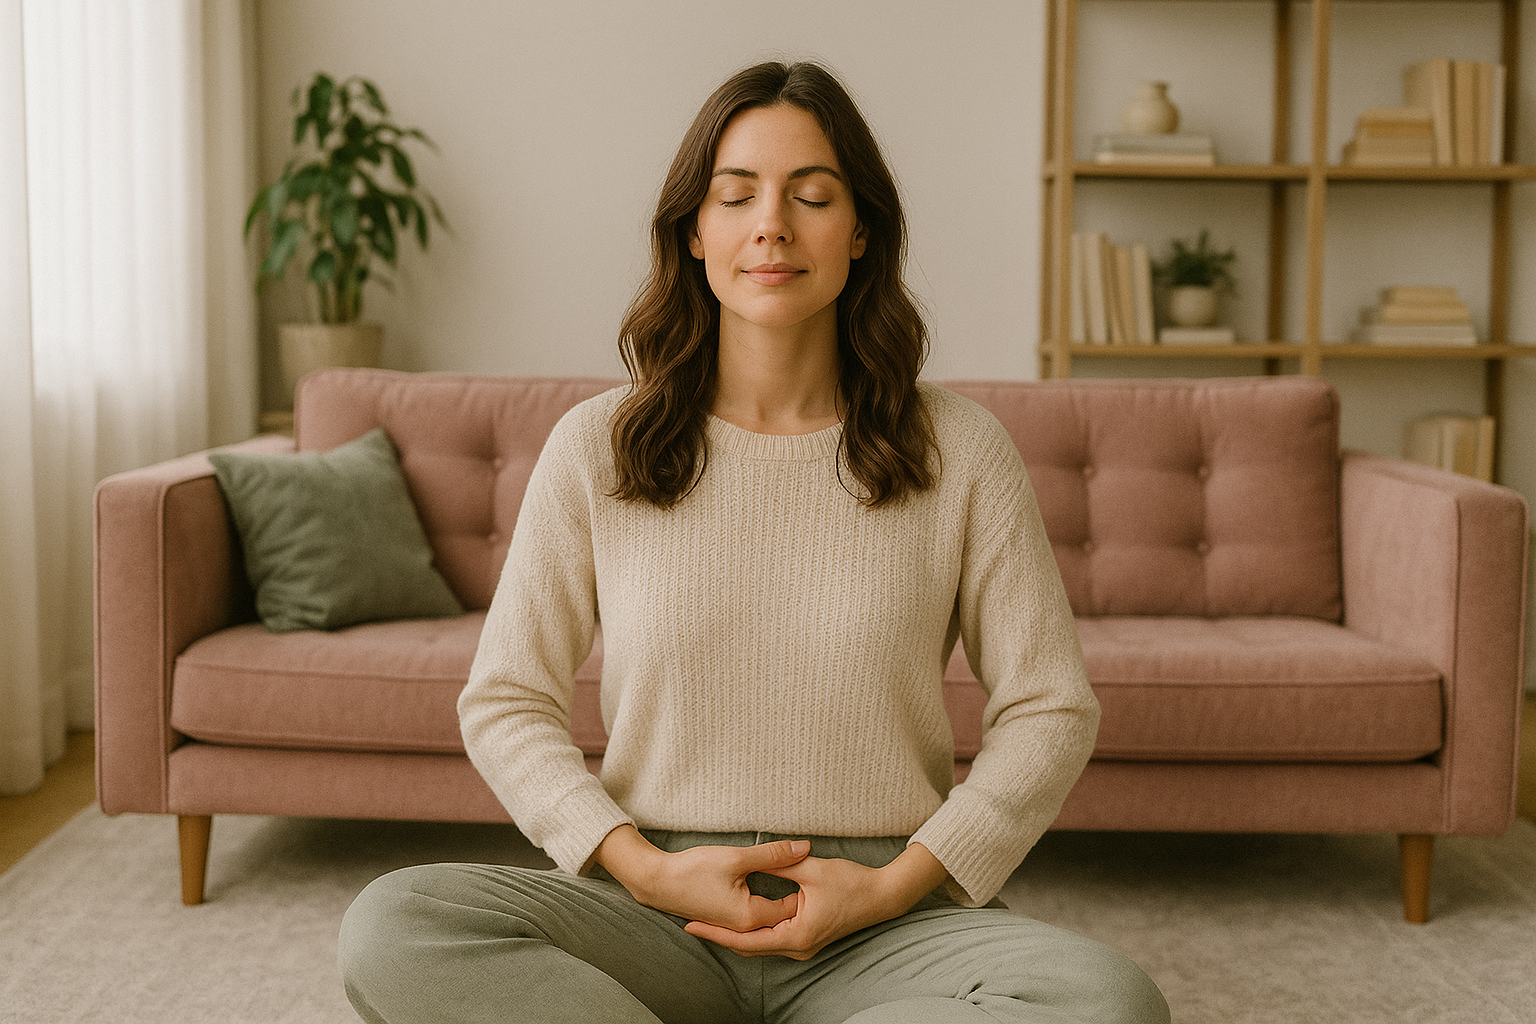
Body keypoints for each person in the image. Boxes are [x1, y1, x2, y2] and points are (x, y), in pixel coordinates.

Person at [339, 60, 1170, 1024]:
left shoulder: (960, 450)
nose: (771, 223)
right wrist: (641, 867)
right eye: (737, 196)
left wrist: (899, 882)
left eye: (811, 196)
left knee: (1109, 1004)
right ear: (696, 231)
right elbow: (506, 699)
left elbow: (1050, 707)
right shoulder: (598, 447)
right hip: (653, 910)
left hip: (883, 921)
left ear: (860, 232)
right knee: (399, 923)